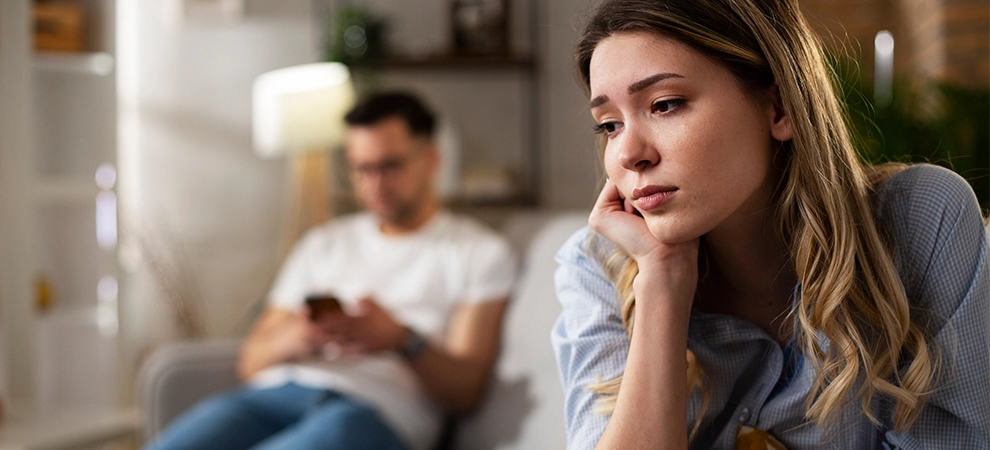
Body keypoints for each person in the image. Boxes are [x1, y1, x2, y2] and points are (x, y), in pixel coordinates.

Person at [550, 1, 989, 449]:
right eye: (609, 125)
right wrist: (662, 281)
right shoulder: (597, 266)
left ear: (779, 106)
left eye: (665, 105)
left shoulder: (925, 220)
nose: (627, 154)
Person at [147, 92, 517, 450]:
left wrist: (401, 339)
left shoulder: (480, 253)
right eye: (362, 169)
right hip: (280, 394)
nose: (375, 184)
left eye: (390, 166)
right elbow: (251, 362)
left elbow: (466, 391)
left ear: (432, 159)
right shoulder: (323, 244)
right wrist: (300, 335)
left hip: (373, 411)